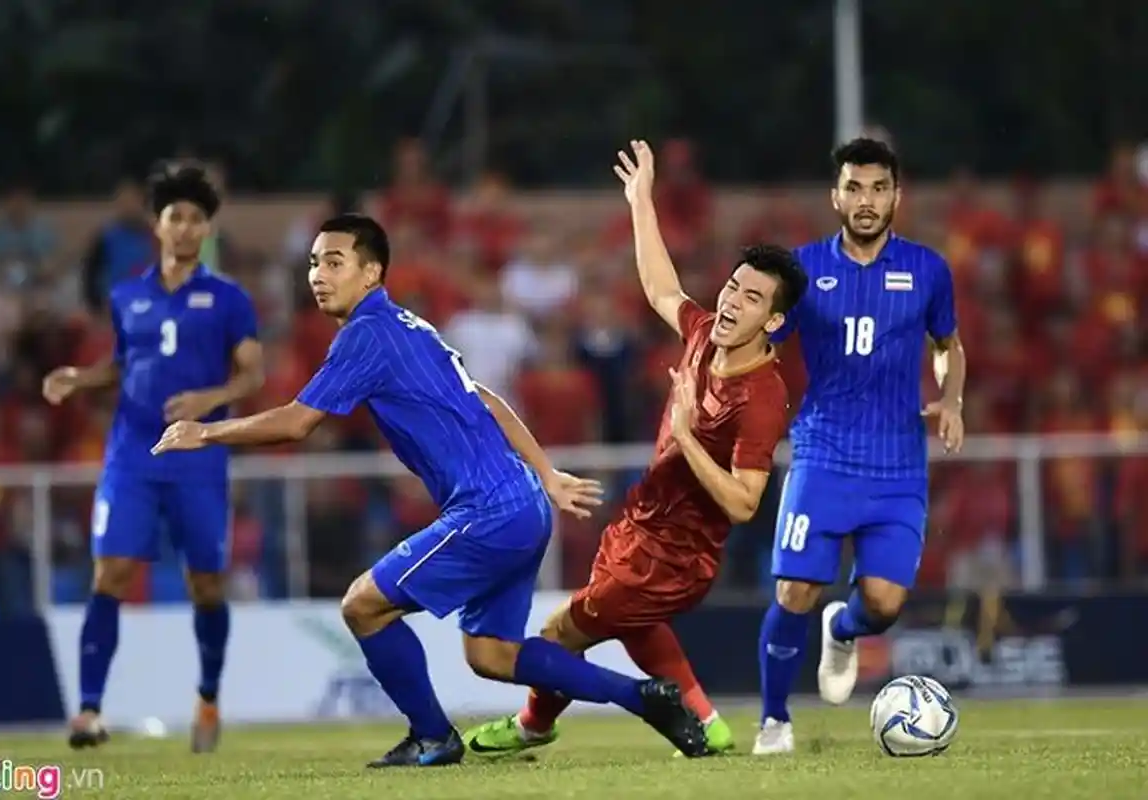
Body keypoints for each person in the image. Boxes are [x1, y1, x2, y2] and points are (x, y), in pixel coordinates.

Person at [151, 212, 708, 767]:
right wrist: (546, 475)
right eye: (315, 263)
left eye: (335, 262)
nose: (319, 274)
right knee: (492, 654)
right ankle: (644, 697)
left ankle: (431, 736)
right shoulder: (410, 326)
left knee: (363, 606)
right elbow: (485, 398)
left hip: (488, 509)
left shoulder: (366, 335)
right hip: (523, 505)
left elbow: (299, 422)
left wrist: (207, 431)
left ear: (371, 274)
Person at [463, 140, 805, 757]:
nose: (731, 301)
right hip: (642, 527)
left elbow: (745, 503)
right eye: (733, 287)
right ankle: (708, 722)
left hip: (675, 556)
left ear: (774, 322)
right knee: (636, 628)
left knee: (558, 634)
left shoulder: (760, 397)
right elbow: (659, 287)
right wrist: (639, 201)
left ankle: (531, 726)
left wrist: (684, 438)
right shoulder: (705, 334)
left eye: (753, 299)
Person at [753, 137, 966, 755]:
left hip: (898, 462)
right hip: (822, 452)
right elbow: (761, 341)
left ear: (897, 195)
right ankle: (774, 721)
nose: (866, 200)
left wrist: (951, 400)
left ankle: (843, 630)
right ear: (835, 196)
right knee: (794, 590)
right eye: (854, 188)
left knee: (883, 603)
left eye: (878, 188)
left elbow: (947, 346)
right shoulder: (801, 271)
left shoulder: (928, 270)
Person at [42, 162, 264, 752]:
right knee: (109, 573)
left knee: (206, 585)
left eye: (196, 218)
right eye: (175, 217)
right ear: (156, 224)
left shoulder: (228, 300)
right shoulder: (127, 295)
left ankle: (208, 696)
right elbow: (124, 366)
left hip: (197, 457)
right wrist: (81, 379)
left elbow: (253, 374)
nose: (185, 228)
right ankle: (88, 712)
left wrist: (210, 398)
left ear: (207, 227)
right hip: (132, 456)